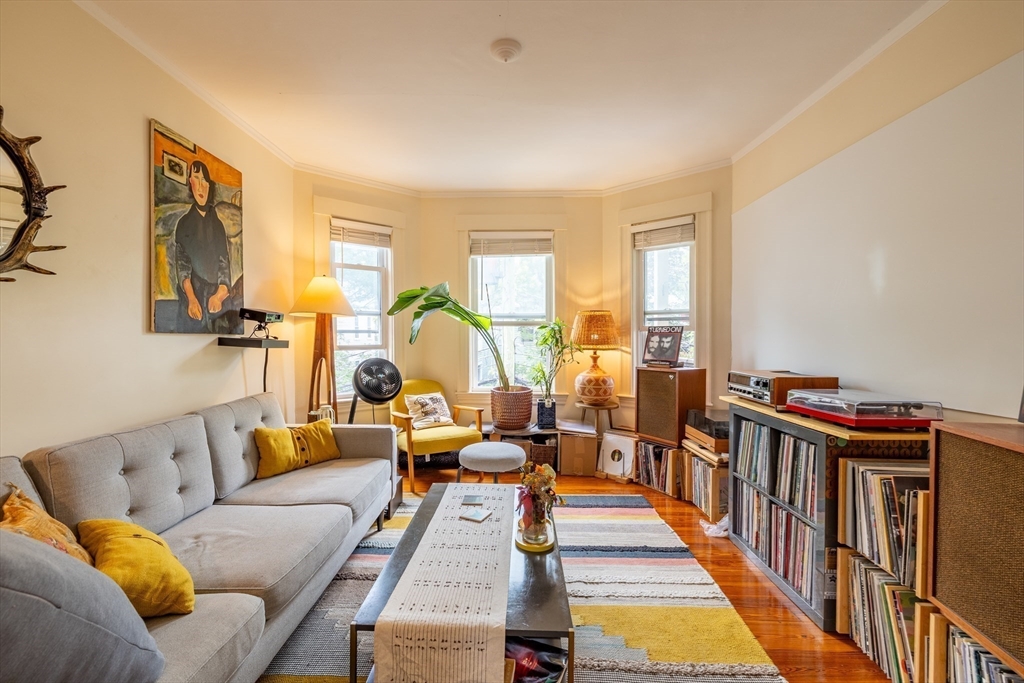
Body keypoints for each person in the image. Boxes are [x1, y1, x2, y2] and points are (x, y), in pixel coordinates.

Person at [174, 160, 234, 333]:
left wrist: (220, 294)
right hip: (193, 293)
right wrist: (192, 299)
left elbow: (224, 263)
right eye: (196, 178)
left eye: (204, 180)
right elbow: (182, 266)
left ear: (209, 185)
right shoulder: (184, 223)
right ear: (190, 183)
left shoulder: (218, 225)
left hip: (217, 294)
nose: (200, 186)